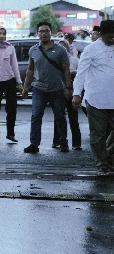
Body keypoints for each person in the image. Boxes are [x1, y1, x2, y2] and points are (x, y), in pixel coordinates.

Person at [21, 22, 72, 154]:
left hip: (57, 89)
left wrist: (68, 87)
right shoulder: (33, 50)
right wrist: (26, 87)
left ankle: (63, 142)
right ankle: (34, 144)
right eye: (41, 31)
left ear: (51, 32)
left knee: (60, 116)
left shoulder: (60, 50)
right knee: (36, 116)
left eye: (46, 31)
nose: (44, 34)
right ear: (37, 33)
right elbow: (30, 70)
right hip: (39, 88)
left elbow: (66, 70)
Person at [72, 19, 114, 174]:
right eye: (110, 37)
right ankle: (101, 165)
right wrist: (76, 93)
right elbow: (81, 73)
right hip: (96, 100)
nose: (112, 39)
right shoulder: (91, 49)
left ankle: (107, 155)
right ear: (101, 34)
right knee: (98, 135)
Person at [57, 38, 83, 150]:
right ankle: (57, 141)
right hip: (58, 91)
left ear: (68, 48)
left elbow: (80, 76)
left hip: (72, 91)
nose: (61, 49)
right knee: (58, 117)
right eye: (59, 47)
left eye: (64, 46)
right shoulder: (55, 61)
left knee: (73, 118)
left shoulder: (75, 60)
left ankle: (76, 143)